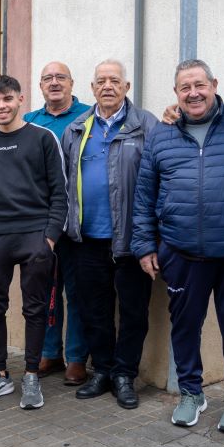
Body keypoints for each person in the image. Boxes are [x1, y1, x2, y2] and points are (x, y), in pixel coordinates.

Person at [133, 59, 224, 432]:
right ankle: (192, 392)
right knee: (185, 326)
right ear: (176, 94)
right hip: (181, 250)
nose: (193, 93)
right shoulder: (162, 133)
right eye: (185, 88)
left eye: (200, 85)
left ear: (214, 84)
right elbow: (144, 194)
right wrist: (144, 245)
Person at [0, 75, 68, 410]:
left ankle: (32, 375)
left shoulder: (42, 138)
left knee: (36, 308)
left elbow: (60, 194)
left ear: (21, 99)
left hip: (35, 235)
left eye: (7, 99)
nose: (1, 106)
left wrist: (49, 239)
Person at [61, 59, 157, 409]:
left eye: (114, 80)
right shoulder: (76, 128)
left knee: (134, 312)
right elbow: (65, 183)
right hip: (86, 240)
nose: (107, 86)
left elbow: (160, 178)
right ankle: (101, 370)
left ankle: (124, 375)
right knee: (93, 310)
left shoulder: (146, 125)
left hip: (132, 241)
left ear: (126, 87)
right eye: (101, 81)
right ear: (92, 88)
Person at [23, 61, 90, 386]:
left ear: (72, 82)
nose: (54, 82)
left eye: (60, 77)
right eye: (47, 78)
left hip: (79, 222)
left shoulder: (88, 116)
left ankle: (77, 359)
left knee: (78, 294)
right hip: (42, 223)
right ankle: (50, 351)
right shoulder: (30, 122)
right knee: (47, 291)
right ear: (40, 86)